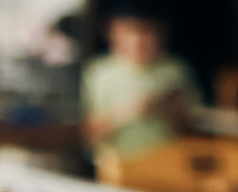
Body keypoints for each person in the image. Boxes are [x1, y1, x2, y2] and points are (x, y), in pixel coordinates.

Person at [80, 1, 199, 161]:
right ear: (112, 32)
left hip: (167, 163)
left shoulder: (176, 70)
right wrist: (133, 111)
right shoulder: (99, 72)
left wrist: (172, 110)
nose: (138, 39)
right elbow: (89, 134)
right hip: (117, 164)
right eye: (130, 31)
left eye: (147, 31)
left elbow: (195, 130)